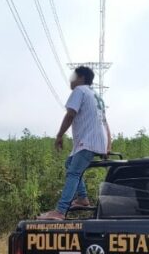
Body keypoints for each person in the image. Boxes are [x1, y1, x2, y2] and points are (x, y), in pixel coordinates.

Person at [37, 66, 111, 220]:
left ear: (82, 78)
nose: (71, 79)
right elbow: (105, 124)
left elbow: (70, 115)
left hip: (88, 142)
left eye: (74, 76)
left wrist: (59, 135)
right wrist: (107, 146)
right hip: (96, 141)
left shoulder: (80, 91)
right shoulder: (96, 96)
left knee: (73, 173)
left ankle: (60, 211)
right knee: (69, 163)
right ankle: (82, 198)